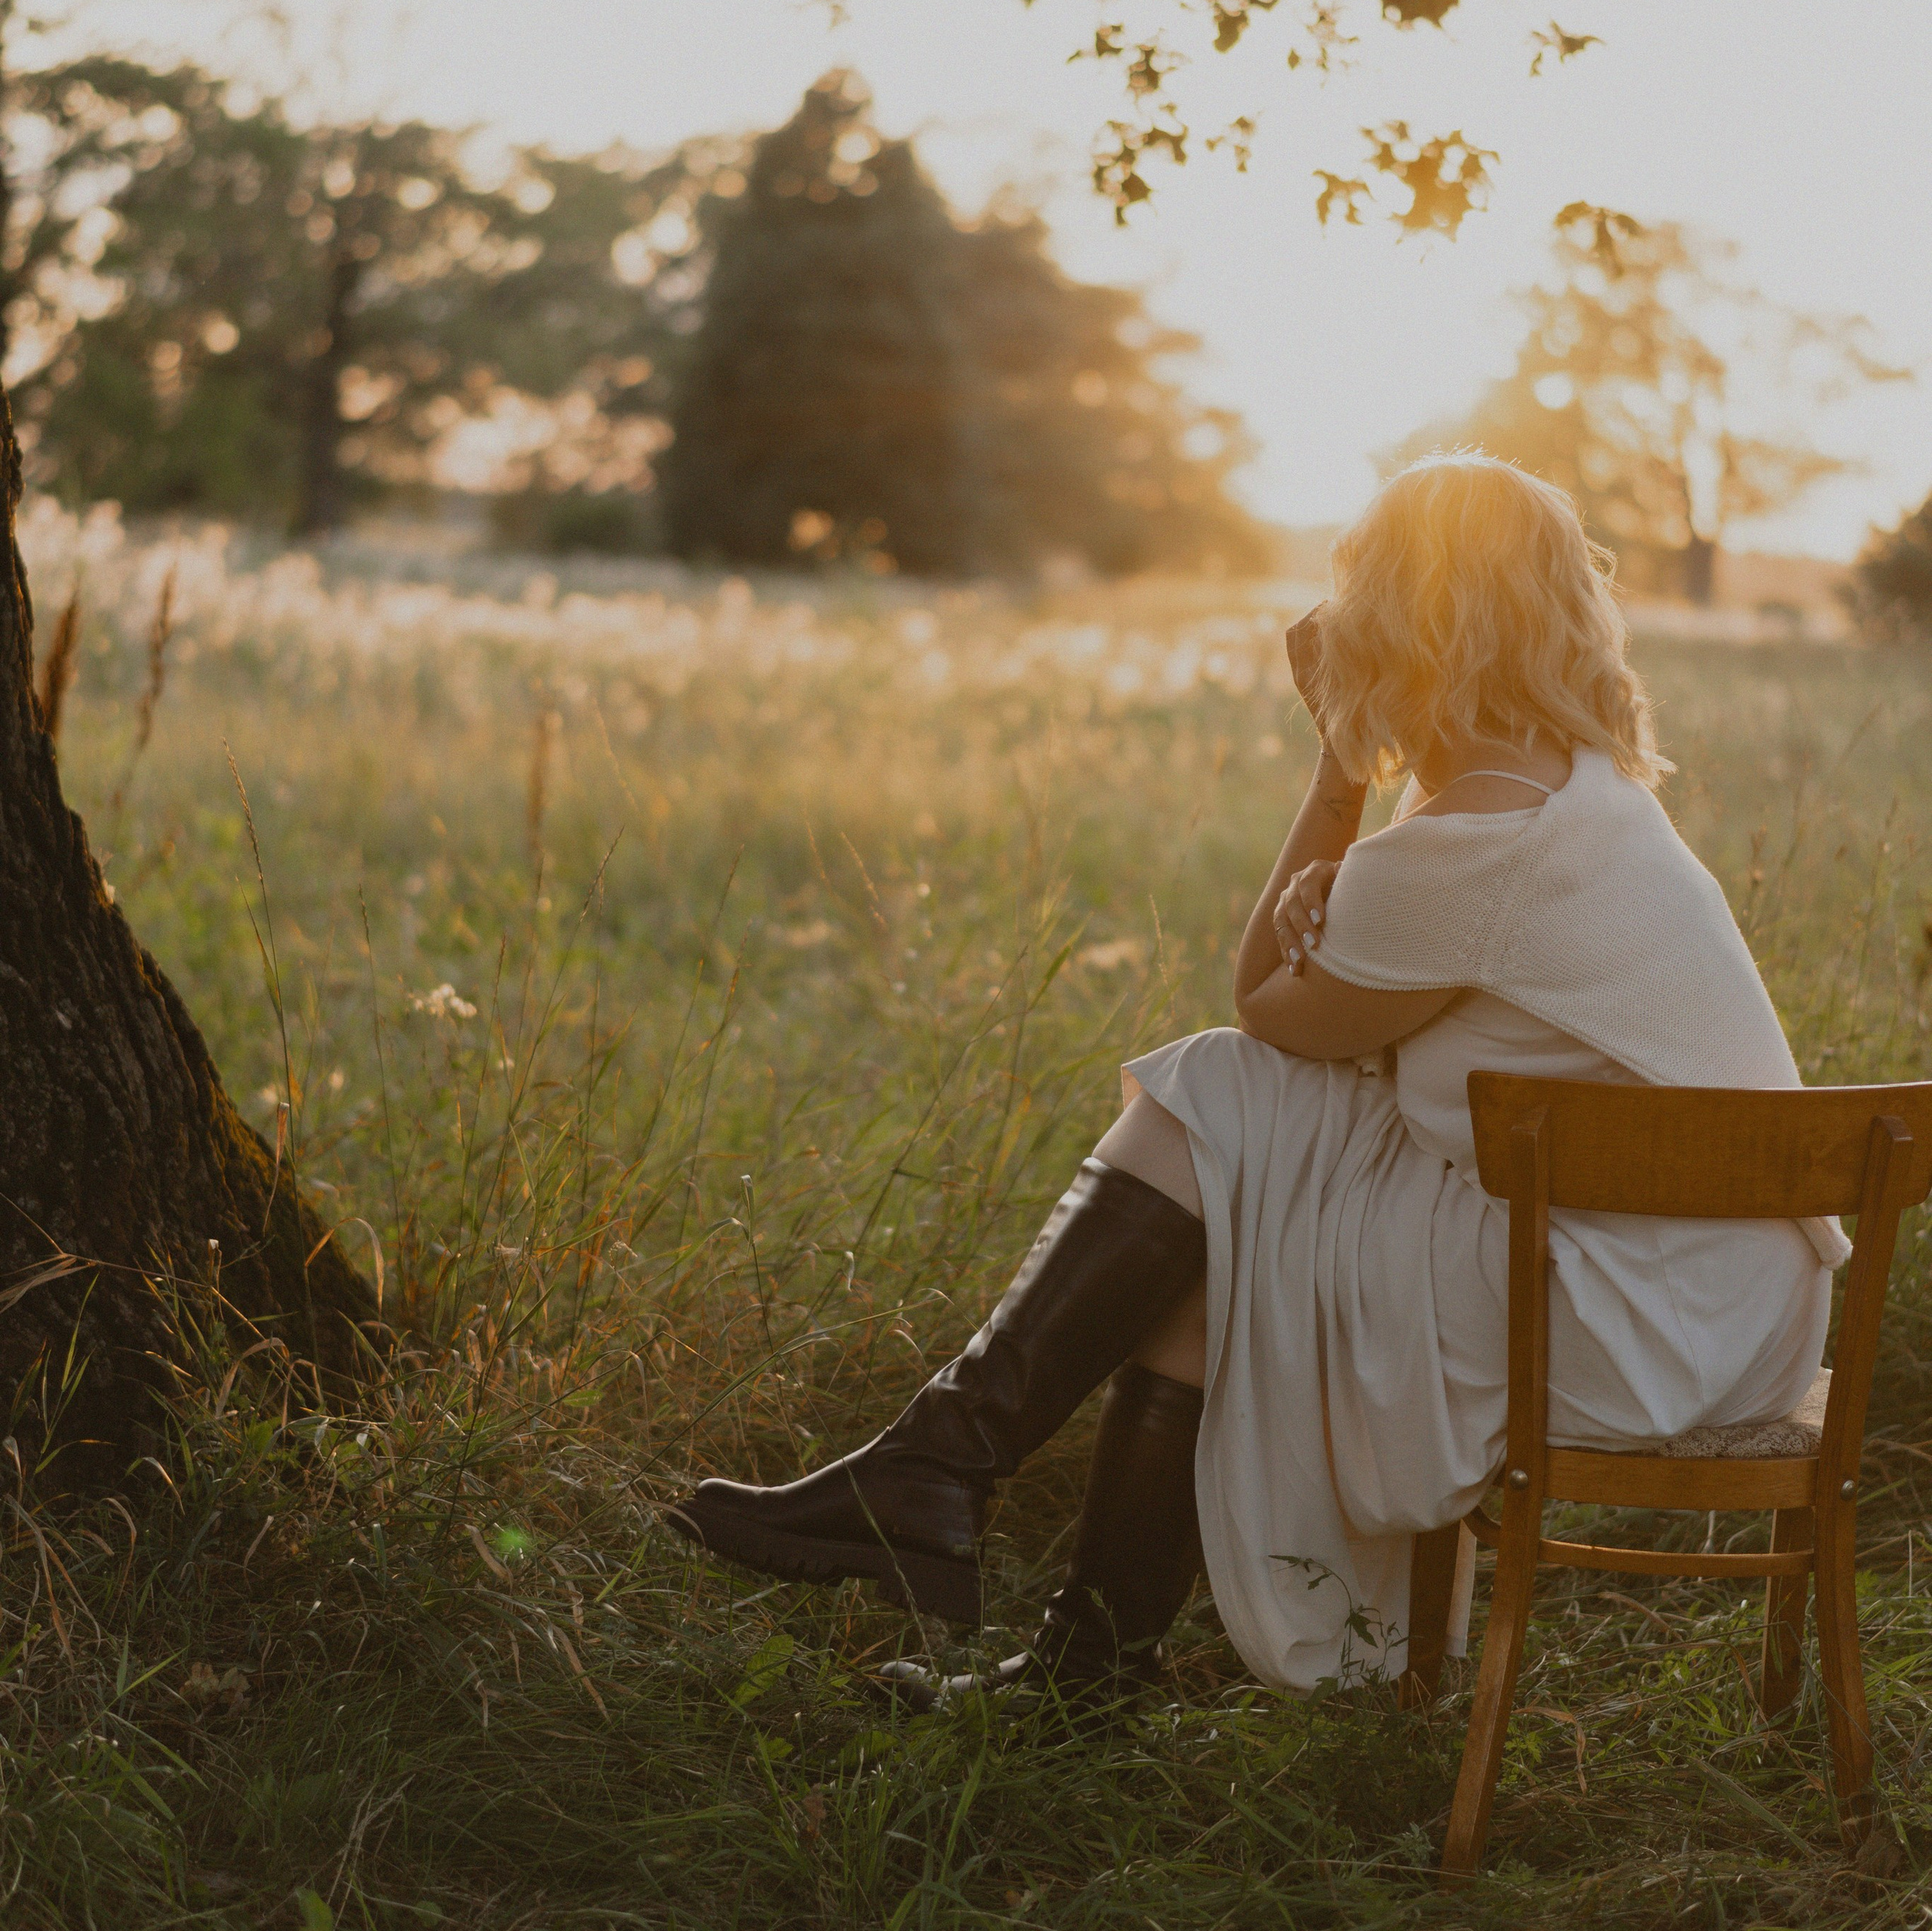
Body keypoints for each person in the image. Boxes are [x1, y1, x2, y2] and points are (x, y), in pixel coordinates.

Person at [668, 453, 1845, 1706]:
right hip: (1720, 1301)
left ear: (1395, 624)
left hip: (1616, 1320)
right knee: (1222, 1179)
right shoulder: (1583, 793)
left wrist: (1341, 767)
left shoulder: (1468, 848)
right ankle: (1024, 1595)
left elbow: (1271, 1011)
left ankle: (955, 1494)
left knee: (1220, 1088)